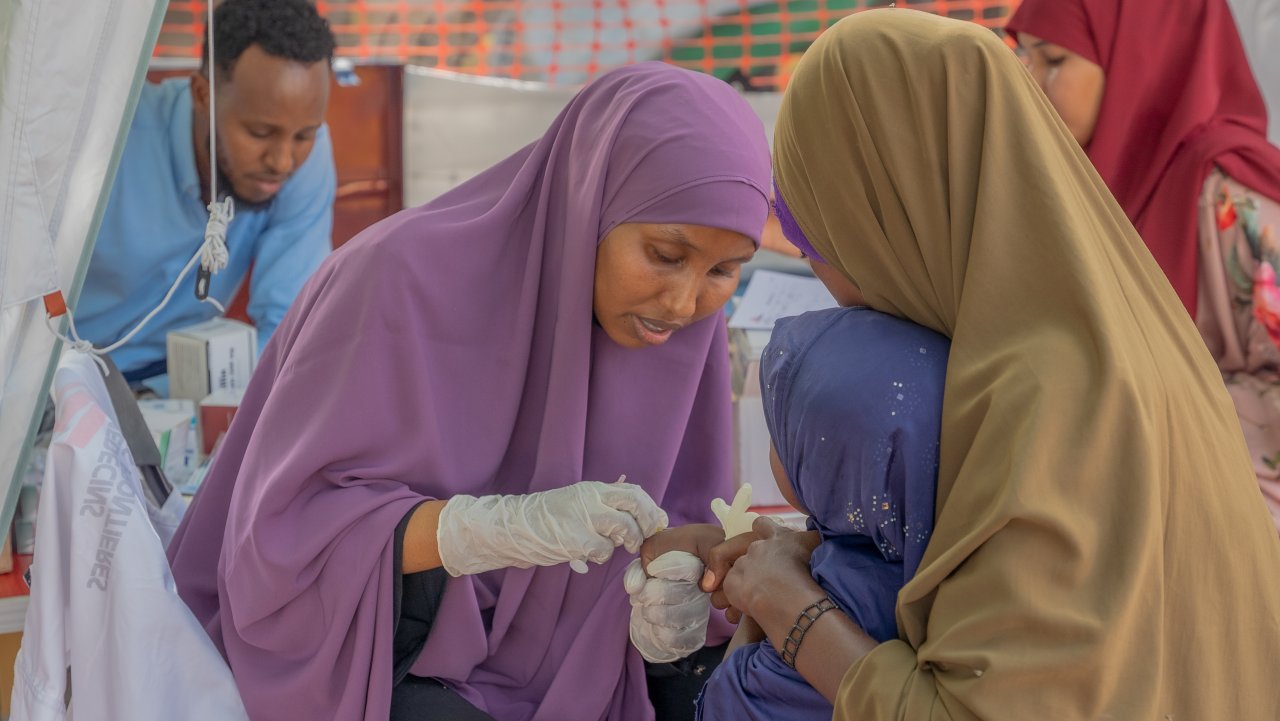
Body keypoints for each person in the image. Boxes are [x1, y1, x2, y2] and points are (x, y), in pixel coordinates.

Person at [668, 9, 1280, 719]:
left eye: (820, 234)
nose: (824, 274)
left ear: (892, 217)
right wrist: (812, 558)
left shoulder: (1041, 406)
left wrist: (792, 607)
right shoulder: (1116, 336)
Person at [166, 62, 773, 721]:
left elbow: (676, 522)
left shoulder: (683, 332)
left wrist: (674, 587)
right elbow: (283, 545)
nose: (685, 301)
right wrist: (488, 530)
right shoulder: (395, 281)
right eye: (664, 253)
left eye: (724, 270)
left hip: (576, 669)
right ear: (591, 195)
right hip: (371, 651)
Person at [1007, 0, 1280, 529]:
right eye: (1025, 59)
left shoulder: (1228, 197)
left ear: (1140, 59)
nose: (1031, 83)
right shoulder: (1083, 185)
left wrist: (1133, 422)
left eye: (1056, 61)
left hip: (1231, 527)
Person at [691, 306, 948, 721]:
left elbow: (727, 705)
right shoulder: (959, 560)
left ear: (819, 463)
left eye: (779, 434)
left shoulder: (843, 593)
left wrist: (761, 601)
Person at [76, 0, 337, 390]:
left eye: (303, 135)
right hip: (64, 380)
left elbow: (292, 327)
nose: (282, 161)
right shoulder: (109, 143)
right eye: (260, 133)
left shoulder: (308, 158)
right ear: (202, 94)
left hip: (186, 384)